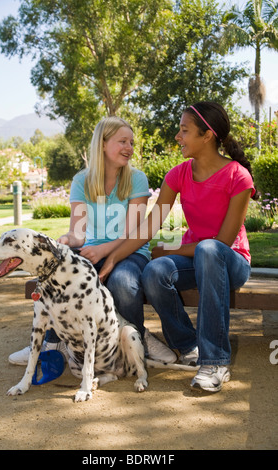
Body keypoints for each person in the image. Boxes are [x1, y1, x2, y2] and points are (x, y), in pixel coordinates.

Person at [99, 102, 256, 392]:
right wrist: (112, 259)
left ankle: (216, 361)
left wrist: (170, 251)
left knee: (207, 251)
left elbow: (221, 243)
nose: (177, 136)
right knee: (155, 270)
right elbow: (148, 227)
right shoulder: (179, 174)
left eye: (184, 131)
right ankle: (188, 344)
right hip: (198, 260)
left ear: (207, 135)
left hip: (231, 262)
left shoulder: (238, 177)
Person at [9, 116, 176, 367]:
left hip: (131, 251)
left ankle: (138, 337)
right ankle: (53, 343)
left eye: (131, 142)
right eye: (122, 141)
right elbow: (77, 233)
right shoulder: (82, 181)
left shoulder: (137, 179)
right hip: (93, 250)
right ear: (103, 144)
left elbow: (131, 234)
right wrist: (64, 241)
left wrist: (103, 252)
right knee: (60, 276)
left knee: (123, 282)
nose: (129, 147)